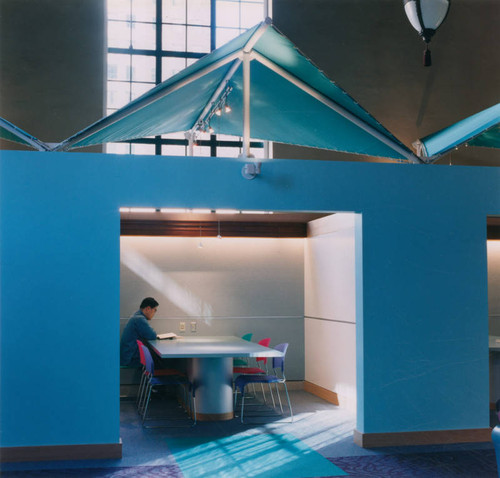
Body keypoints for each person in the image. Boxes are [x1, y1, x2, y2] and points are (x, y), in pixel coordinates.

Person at [120, 297, 159, 367]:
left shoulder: (136, 315)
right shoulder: (139, 319)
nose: (154, 313)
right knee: (160, 361)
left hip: (128, 356)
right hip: (131, 359)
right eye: (155, 310)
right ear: (148, 309)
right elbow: (152, 335)